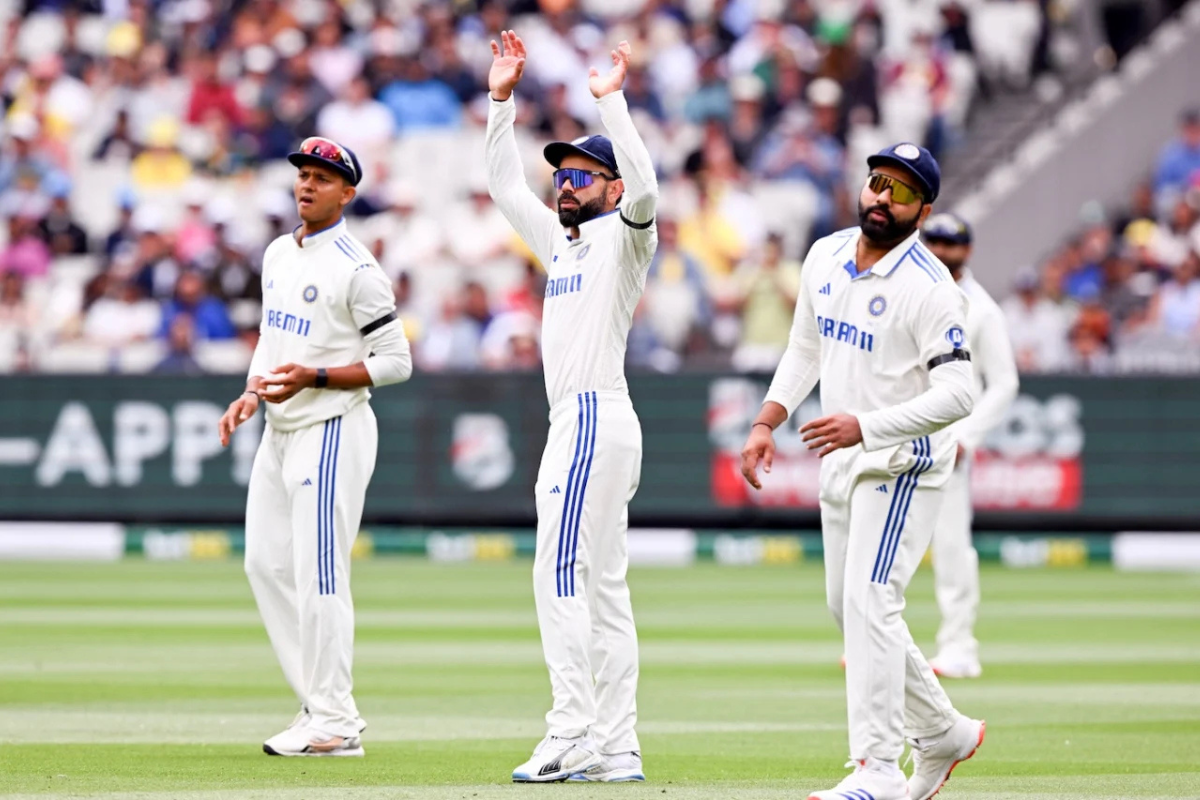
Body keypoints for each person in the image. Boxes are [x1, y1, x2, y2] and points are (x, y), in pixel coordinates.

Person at [739, 143, 984, 800]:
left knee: (872, 601)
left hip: (901, 462)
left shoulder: (931, 287)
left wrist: (867, 427)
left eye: (902, 193)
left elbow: (960, 395)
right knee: (847, 608)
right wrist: (766, 420)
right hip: (845, 459)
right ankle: (943, 732)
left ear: (922, 212)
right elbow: (805, 348)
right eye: (878, 182)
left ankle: (876, 768)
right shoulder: (824, 255)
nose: (883, 198)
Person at [485, 31, 658, 784]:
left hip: (591, 414)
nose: (565, 184)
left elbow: (647, 189)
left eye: (583, 175)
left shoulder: (626, 236)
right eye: (562, 174)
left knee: (556, 571)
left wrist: (611, 104)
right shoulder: (563, 244)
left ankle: (572, 730)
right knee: (603, 588)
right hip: (592, 420)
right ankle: (617, 745)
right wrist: (500, 100)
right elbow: (504, 187)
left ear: (611, 190)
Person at [216, 136, 413, 757]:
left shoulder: (358, 270)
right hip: (279, 429)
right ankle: (324, 708)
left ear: (347, 194)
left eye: (323, 178)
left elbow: (397, 362)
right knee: (264, 565)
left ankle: (333, 718)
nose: (307, 184)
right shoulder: (279, 252)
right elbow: (271, 338)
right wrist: (253, 391)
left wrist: (317, 377)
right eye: (303, 174)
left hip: (332, 427)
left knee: (320, 572)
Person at [920, 213, 1019, 679]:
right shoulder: (911, 291)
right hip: (899, 434)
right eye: (933, 242)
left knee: (951, 546)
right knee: (882, 543)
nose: (941, 251)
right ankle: (877, 644)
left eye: (950, 244)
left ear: (968, 250)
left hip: (948, 443)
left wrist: (967, 436)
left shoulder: (982, 310)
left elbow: (1004, 383)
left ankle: (959, 646)